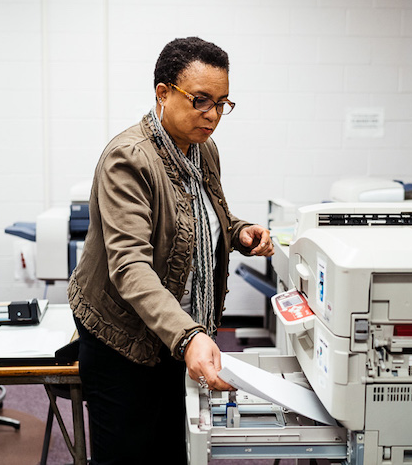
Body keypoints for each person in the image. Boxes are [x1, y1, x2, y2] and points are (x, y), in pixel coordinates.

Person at [67, 36, 275, 464]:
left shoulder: (202, 149)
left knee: (174, 446)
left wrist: (239, 233)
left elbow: (205, 216)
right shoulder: (128, 159)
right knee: (129, 451)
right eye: (201, 100)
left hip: (177, 332)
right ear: (163, 93)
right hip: (122, 338)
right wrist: (188, 336)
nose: (213, 115)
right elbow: (130, 267)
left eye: (222, 103)